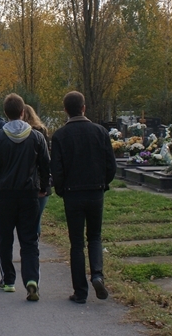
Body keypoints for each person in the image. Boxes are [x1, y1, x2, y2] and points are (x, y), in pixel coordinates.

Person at [51, 91, 117, 304]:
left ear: (65, 110)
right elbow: (111, 165)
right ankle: (97, 274)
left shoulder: (60, 136)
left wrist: (61, 189)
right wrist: (103, 183)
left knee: (76, 243)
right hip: (95, 191)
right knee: (95, 236)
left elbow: (57, 169)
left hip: (72, 193)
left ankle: (80, 291)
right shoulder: (100, 132)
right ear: (84, 107)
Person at [0, 94, 50, 301]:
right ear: (23, 112)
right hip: (29, 193)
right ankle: (32, 279)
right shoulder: (36, 137)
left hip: (5, 195)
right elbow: (45, 165)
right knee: (29, 240)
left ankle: (8, 279)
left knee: (4, 239)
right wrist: (43, 188)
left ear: (5, 113)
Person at [23, 104, 51, 235]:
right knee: (36, 219)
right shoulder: (41, 131)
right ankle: (35, 247)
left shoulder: (20, 134)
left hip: (24, 181)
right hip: (39, 180)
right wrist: (45, 186)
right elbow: (45, 160)